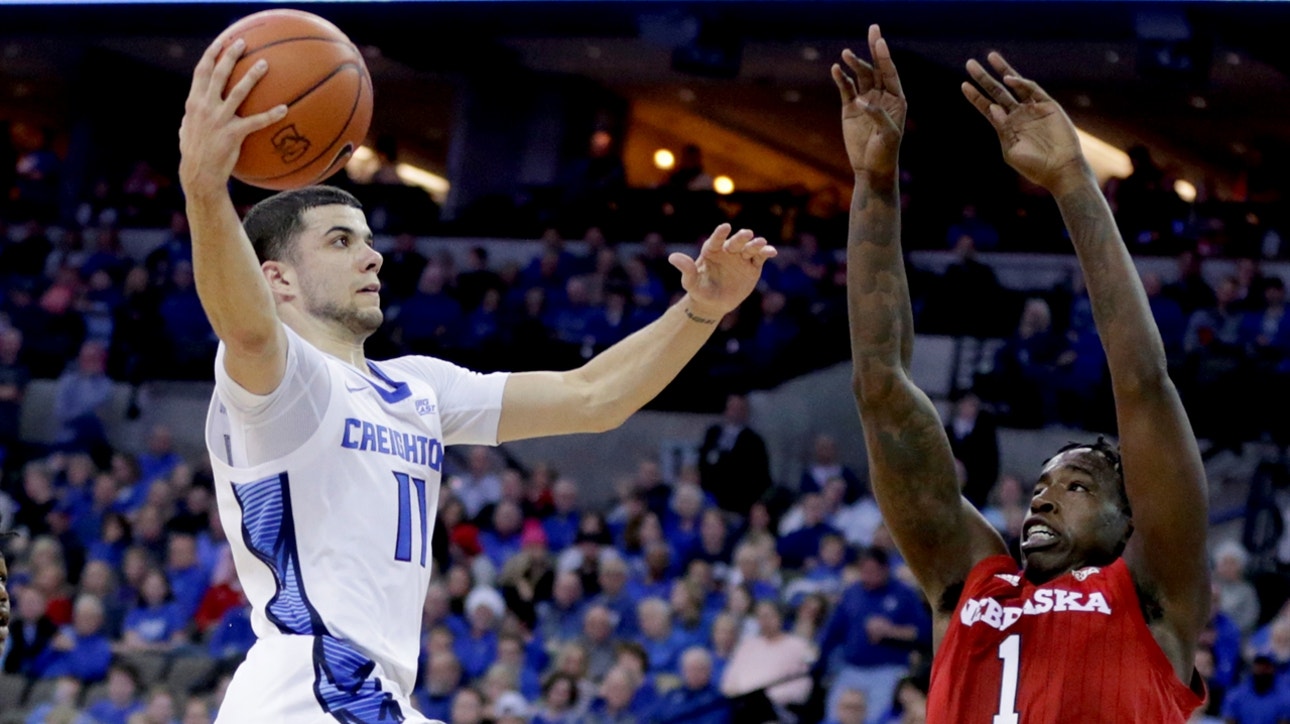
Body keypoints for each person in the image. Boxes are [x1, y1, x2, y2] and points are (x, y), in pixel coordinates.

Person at [177, 34, 775, 723]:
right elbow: (246, 326)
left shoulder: (417, 388)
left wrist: (700, 311)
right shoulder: (281, 384)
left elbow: (593, 398)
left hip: (370, 699)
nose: (371, 257)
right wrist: (203, 186)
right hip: (307, 699)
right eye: (341, 241)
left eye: (369, 240)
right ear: (275, 278)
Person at [834, 25, 1208, 722]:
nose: (1042, 498)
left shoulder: (1152, 593)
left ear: (1128, 522)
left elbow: (1143, 383)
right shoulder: (971, 583)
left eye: (1075, 485)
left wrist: (1073, 184)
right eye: (1041, 485)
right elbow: (880, 386)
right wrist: (875, 183)